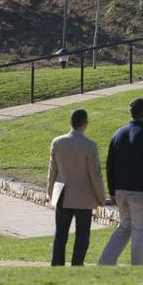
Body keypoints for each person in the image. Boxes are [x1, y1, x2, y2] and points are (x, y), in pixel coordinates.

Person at [98, 98, 143, 266]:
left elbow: (110, 165)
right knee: (141, 231)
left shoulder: (118, 134)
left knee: (125, 227)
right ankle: (137, 269)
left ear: (131, 114)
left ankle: (105, 263)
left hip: (121, 190)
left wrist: (112, 190)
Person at [47, 109, 107, 266]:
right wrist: (101, 197)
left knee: (60, 234)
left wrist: (50, 192)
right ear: (85, 124)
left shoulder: (57, 142)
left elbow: (52, 171)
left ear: (70, 123)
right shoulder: (89, 146)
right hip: (84, 197)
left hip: (62, 194)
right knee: (82, 235)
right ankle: (77, 264)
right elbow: (95, 175)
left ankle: (57, 265)